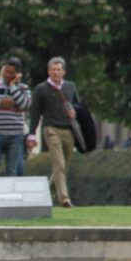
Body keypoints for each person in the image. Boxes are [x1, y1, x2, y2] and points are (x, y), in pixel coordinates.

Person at [27, 57, 81, 208]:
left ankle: (45, 194)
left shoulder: (70, 87)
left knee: (64, 166)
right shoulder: (41, 89)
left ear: (63, 72)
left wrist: (74, 113)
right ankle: (64, 199)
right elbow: (35, 113)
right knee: (59, 164)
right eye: (53, 69)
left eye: (58, 70)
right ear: (48, 71)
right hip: (51, 129)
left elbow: (78, 105)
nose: (55, 72)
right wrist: (31, 134)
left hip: (68, 130)